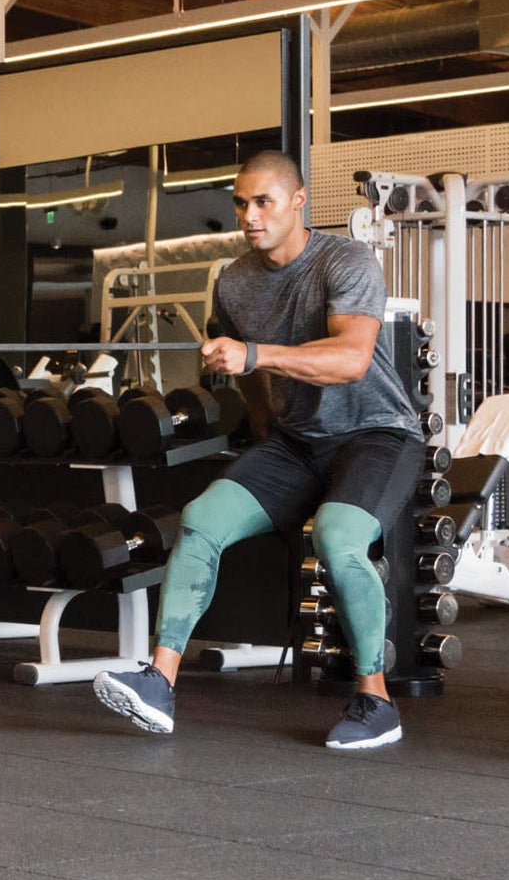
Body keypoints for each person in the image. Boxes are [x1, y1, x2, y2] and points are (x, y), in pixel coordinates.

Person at [92, 151, 425, 752]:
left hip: (377, 434)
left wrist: (256, 355)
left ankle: (377, 700)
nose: (249, 215)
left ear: (299, 202)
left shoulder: (345, 261)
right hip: (297, 443)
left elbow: (350, 359)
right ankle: (159, 684)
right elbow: (238, 360)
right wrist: (266, 421)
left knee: (338, 538)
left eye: (263, 201)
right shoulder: (235, 280)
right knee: (201, 521)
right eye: (241, 203)